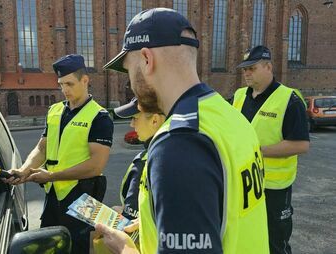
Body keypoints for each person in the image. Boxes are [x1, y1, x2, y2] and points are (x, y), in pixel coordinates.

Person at [96, 8, 270, 254]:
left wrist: (126, 249)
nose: (130, 84)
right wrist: (156, 222)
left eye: (129, 69)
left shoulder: (178, 142)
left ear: (146, 59)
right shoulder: (229, 115)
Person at [4, 54, 114, 254]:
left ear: (85, 80)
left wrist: (52, 175)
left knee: (79, 248)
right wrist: (23, 170)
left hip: (84, 195)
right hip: (54, 194)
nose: (64, 90)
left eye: (70, 84)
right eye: (61, 84)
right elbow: (42, 148)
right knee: (50, 245)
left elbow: (96, 166)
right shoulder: (54, 111)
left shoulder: (100, 117)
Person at [232, 45, 310, 254]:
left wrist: (258, 150)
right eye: (244, 69)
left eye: (252, 68)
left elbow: (301, 144)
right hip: (245, 185)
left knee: (276, 243)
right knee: (248, 239)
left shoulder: (289, 100)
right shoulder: (239, 96)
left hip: (275, 188)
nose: (246, 73)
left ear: (268, 67)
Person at [113, 98, 165, 221]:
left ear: (155, 120)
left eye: (135, 118)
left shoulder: (146, 161)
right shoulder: (175, 152)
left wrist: (117, 215)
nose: (131, 124)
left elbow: (131, 219)